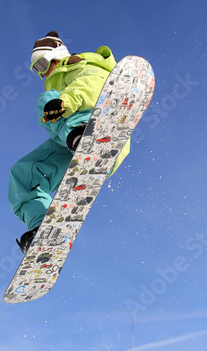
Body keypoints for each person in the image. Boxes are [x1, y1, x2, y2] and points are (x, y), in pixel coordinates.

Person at [8, 31, 130, 252]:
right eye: (37, 70)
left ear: (58, 54)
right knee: (23, 174)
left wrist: (65, 101)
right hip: (70, 139)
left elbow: (92, 85)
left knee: (46, 101)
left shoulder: (82, 65)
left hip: (101, 125)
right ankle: (43, 231)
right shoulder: (56, 87)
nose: (43, 73)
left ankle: (87, 139)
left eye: (43, 63)